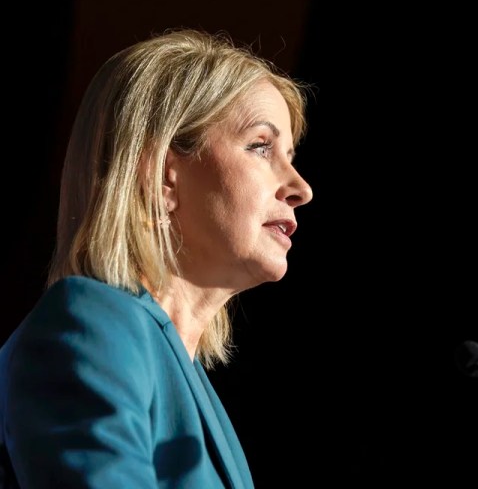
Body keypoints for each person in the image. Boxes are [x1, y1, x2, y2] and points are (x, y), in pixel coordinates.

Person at [0, 28, 313, 488]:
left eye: (290, 155)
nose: (301, 188)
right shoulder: (93, 322)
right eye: (260, 146)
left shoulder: (192, 388)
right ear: (162, 174)